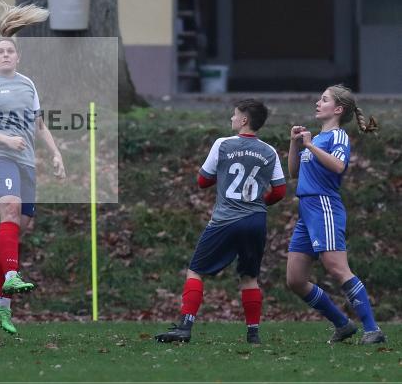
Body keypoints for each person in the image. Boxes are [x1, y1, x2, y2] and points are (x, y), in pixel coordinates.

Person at [0, 3, 66, 335]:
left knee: (20, 225)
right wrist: (6, 141)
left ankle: (2, 304)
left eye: (11, 51)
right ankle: (11, 275)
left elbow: (39, 125)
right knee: (10, 211)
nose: (6, 55)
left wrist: (55, 154)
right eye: (1, 52)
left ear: (18, 57)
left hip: (26, 162)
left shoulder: (28, 84)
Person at [154, 99, 286, 345]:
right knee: (249, 277)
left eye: (235, 115)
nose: (232, 119)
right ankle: (253, 334)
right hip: (256, 220)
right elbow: (279, 191)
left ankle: (185, 326)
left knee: (196, 270)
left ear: (244, 120)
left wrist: (224, 177)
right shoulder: (270, 151)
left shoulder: (223, 144)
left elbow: (203, 181)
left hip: (226, 219)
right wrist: (256, 202)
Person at [285, 85, 385, 345]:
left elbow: (339, 165)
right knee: (295, 279)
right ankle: (343, 324)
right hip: (306, 209)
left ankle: (372, 330)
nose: (318, 102)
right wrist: (295, 144)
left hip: (324, 207)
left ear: (338, 109)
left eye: (324, 99)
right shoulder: (316, 138)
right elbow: (294, 172)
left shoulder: (338, 136)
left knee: (337, 268)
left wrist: (310, 145)